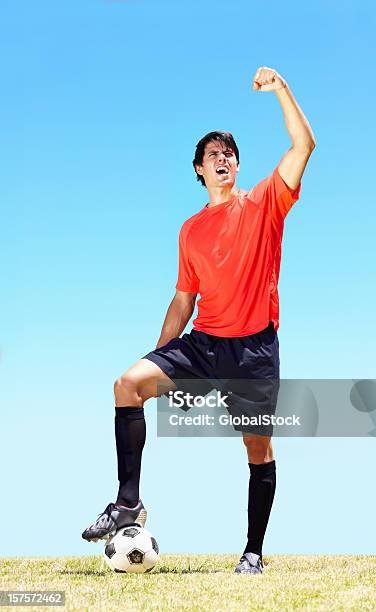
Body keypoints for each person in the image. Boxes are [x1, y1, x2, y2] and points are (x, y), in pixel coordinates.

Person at [82, 66, 315, 574]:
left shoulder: (263, 203)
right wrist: (163, 355)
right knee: (127, 384)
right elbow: (183, 299)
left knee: (257, 448)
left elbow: (303, 147)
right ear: (199, 171)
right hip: (204, 343)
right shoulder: (190, 230)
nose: (223, 158)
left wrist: (282, 90)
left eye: (229, 153)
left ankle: (253, 551)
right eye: (213, 155)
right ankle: (127, 503)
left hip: (253, 350)